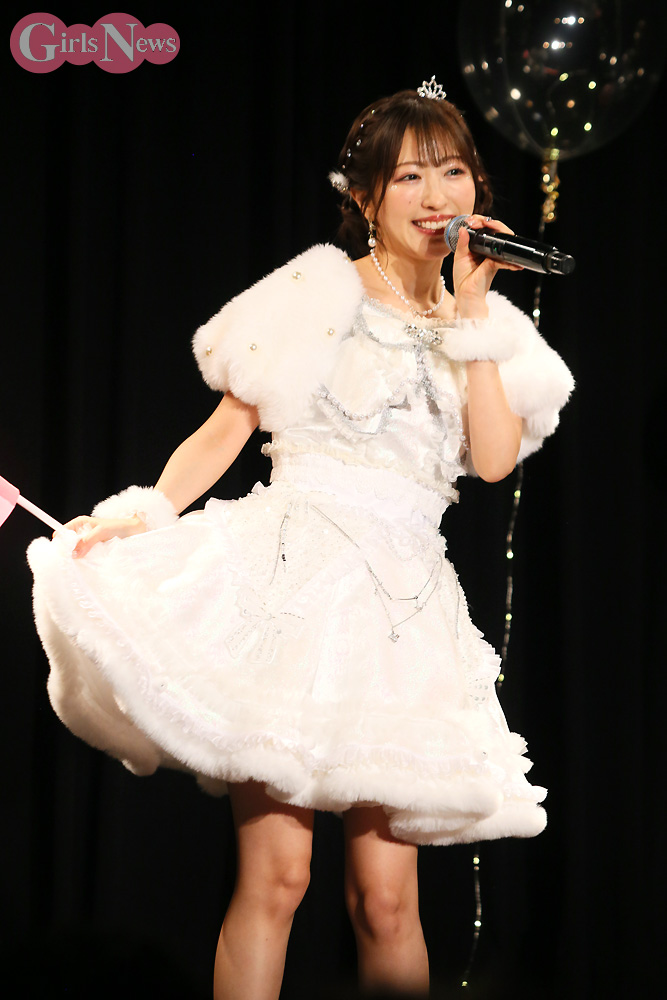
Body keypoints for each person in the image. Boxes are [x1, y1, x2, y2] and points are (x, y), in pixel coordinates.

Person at [27, 80, 574, 1000]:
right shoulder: (317, 291)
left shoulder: (489, 329)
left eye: (451, 172)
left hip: (402, 617)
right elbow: (226, 429)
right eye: (409, 176)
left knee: (386, 904)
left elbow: (489, 462)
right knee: (278, 878)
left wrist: (473, 317)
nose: (435, 195)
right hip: (292, 589)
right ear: (364, 195)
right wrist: (145, 511)